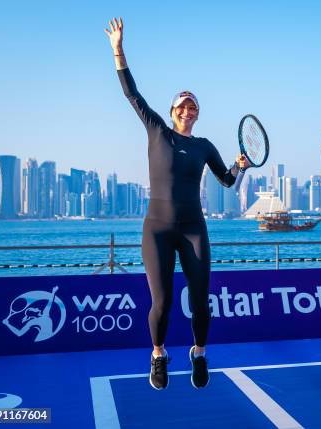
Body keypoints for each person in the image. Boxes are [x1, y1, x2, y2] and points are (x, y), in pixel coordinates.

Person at [105, 18, 250, 390]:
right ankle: (158, 354)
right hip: (157, 229)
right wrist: (118, 50)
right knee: (163, 303)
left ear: (197, 113)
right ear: (172, 111)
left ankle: (199, 354)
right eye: (182, 106)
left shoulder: (204, 146)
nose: (188, 110)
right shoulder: (156, 130)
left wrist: (239, 165)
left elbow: (228, 180)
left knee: (202, 302)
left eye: (193, 106)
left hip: (192, 228)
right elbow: (131, 94)